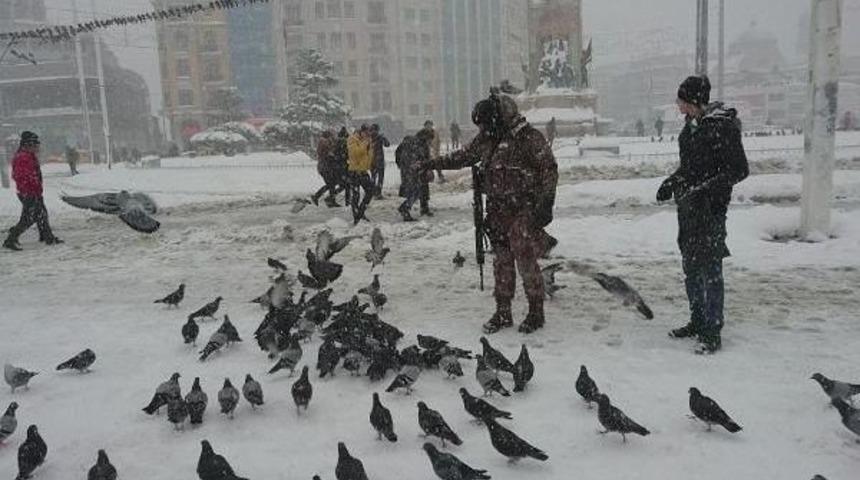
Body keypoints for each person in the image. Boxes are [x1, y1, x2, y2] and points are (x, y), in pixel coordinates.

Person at [423, 89, 558, 334]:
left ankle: (536, 312)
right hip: (497, 211)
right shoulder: (487, 139)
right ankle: (503, 311)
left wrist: (546, 203)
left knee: (526, 261)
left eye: (486, 124)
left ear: (499, 118)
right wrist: (432, 163)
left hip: (523, 210)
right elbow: (463, 157)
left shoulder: (528, 138)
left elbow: (549, 169)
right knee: (502, 263)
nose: (483, 129)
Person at [657, 75, 749, 355]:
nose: (679, 107)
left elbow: (738, 170)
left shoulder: (722, 128)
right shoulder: (689, 131)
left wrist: (705, 190)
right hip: (688, 210)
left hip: (710, 210)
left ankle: (712, 330)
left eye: (682, 102)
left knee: (711, 271)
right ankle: (697, 321)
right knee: (691, 269)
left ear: (696, 102)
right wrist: (672, 181)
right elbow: (689, 169)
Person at [3, 131, 63, 251]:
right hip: (29, 192)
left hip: (33, 192)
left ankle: (47, 237)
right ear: (28, 145)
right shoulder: (22, 157)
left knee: (41, 214)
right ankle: (10, 239)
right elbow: (20, 176)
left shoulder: (28, 156)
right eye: (35, 144)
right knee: (29, 218)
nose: (37, 147)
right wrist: (33, 184)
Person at [395, 129, 434, 222]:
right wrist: (415, 166)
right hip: (412, 171)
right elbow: (420, 157)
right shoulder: (418, 144)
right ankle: (405, 208)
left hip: (409, 170)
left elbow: (398, 153)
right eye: (429, 140)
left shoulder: (412, 141)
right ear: (425, 137)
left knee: (416, 190)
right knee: (416, 191)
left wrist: (401, 165)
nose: (429, 143)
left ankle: (408, 208)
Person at [346, 125, 375, 225]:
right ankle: (356, 216)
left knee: (370, 191)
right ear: (361, 132)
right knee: (356, 195)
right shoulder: (352, 139)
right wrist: (365, 143)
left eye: (369, 134)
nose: (367, 135)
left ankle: (361, 212)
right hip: (354, 171)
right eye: (366, 133)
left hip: (363, 171)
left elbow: (368, 156)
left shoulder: (366, 141)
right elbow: (356, 153)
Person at [310, 130, 344, 207]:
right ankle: (323, 198)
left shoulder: (324, 142)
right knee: (331, 184)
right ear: (328, 136)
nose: (332, 138)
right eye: (331, 136)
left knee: (331, 184)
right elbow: (328, 153)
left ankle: (326, 199)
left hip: (325, 167)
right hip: (325, 168)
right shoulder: (324, 142)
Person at [369, 124, 390, 200]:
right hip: (379, 160)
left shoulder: (369, 137)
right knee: (380, 178)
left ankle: (372, 192)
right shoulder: (379, 137)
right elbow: (387, 144)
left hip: (372, 160)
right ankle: (378, 193)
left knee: (373, 177)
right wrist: (383, 138)